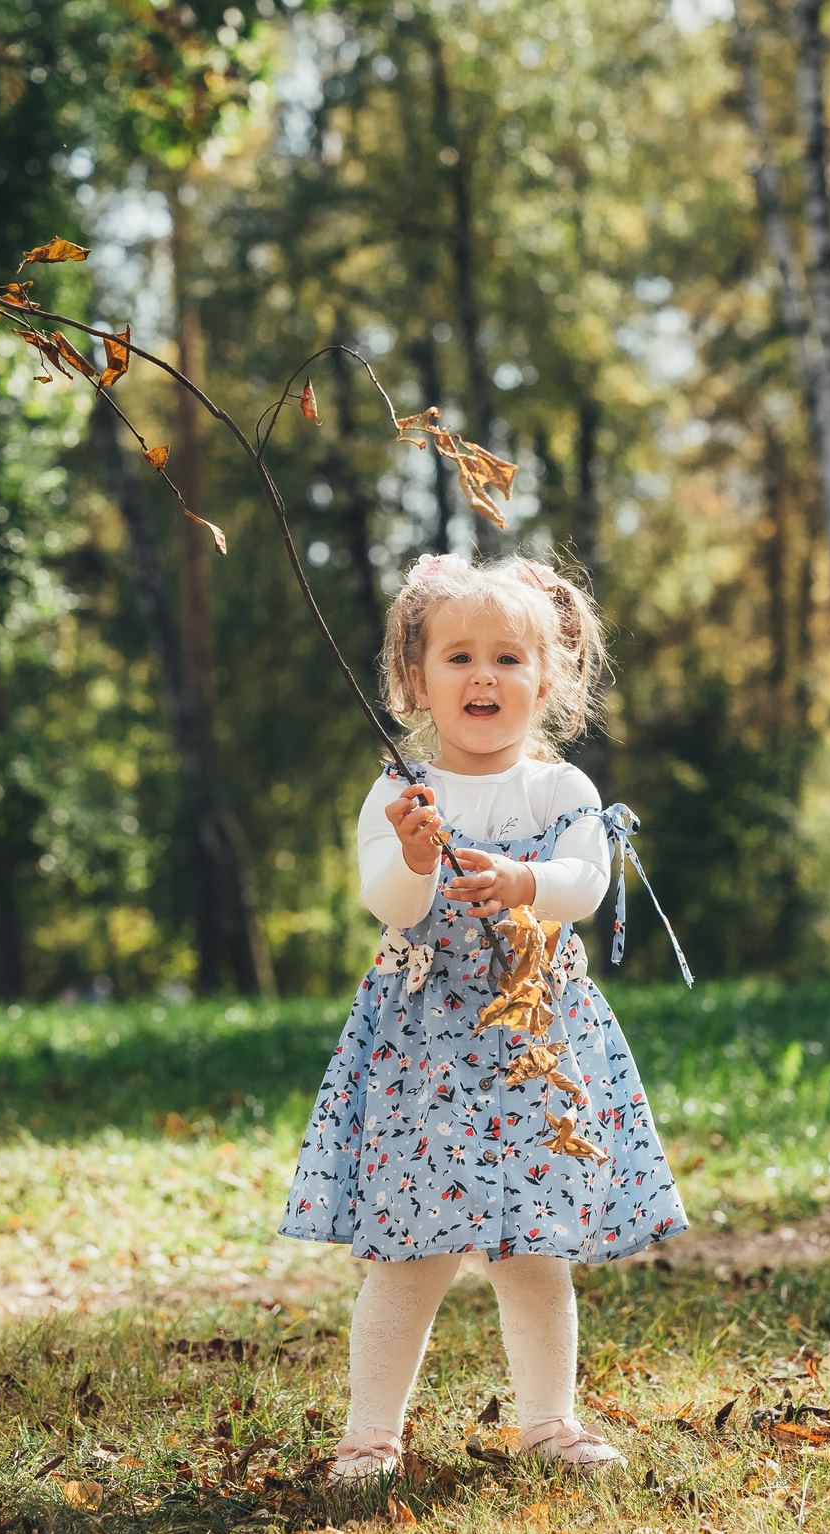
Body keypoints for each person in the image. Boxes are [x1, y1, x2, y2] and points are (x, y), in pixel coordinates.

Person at [278, 550, 690, 1483]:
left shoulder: (561, 791)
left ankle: (551, 1423)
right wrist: (417, 857)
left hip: (534, 1048)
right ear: (413, 679)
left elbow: (584, 884)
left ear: (548, 679)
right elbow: (388, 899)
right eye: (458, 657)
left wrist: (525, 881)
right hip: (425, 1045)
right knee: (411, 1251)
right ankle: (370, 1435)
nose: (484, 676)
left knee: (533, 1245)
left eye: (509, 658)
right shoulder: (400, 793)